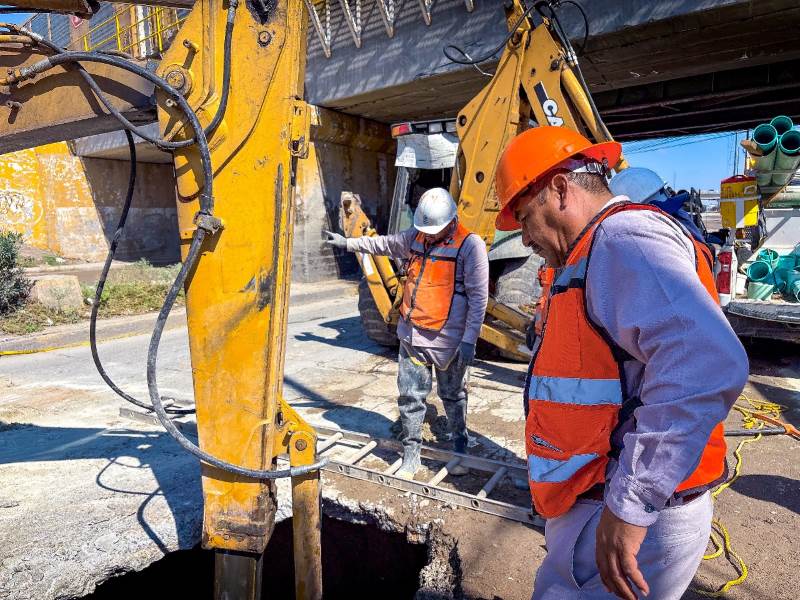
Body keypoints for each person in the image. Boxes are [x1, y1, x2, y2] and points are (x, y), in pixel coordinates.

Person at [493, 127, 749, 600]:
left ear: (560, 188)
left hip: (629, 513)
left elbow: (708, 361)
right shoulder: (591, 252)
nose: (524, 238)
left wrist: (631, 505)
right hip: (599, 503)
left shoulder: (622, 239)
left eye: (525, 218)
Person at [325, 188, 489, 480]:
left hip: (450, 341)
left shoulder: (469, 246)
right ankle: (411, 453)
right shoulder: (416, 237)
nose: (430, 236)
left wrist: (469, 340)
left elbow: (478, 298)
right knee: (411, 398)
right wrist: (348, 242)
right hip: (413, 337)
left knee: (453, 395)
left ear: (452, 220)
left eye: (434, 231)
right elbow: (384, 245)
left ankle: (460, 447)